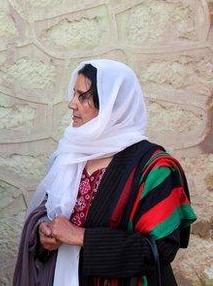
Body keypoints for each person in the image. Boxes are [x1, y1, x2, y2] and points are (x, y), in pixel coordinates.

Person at [14, 60, 196, 285]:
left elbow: (160, 248)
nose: (72, 104)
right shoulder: (71, 155)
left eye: (83, 96)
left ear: (112, 104)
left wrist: (81, 236)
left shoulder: (154, 168)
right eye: (74, 94)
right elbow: (49, 209)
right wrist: (43, 231)